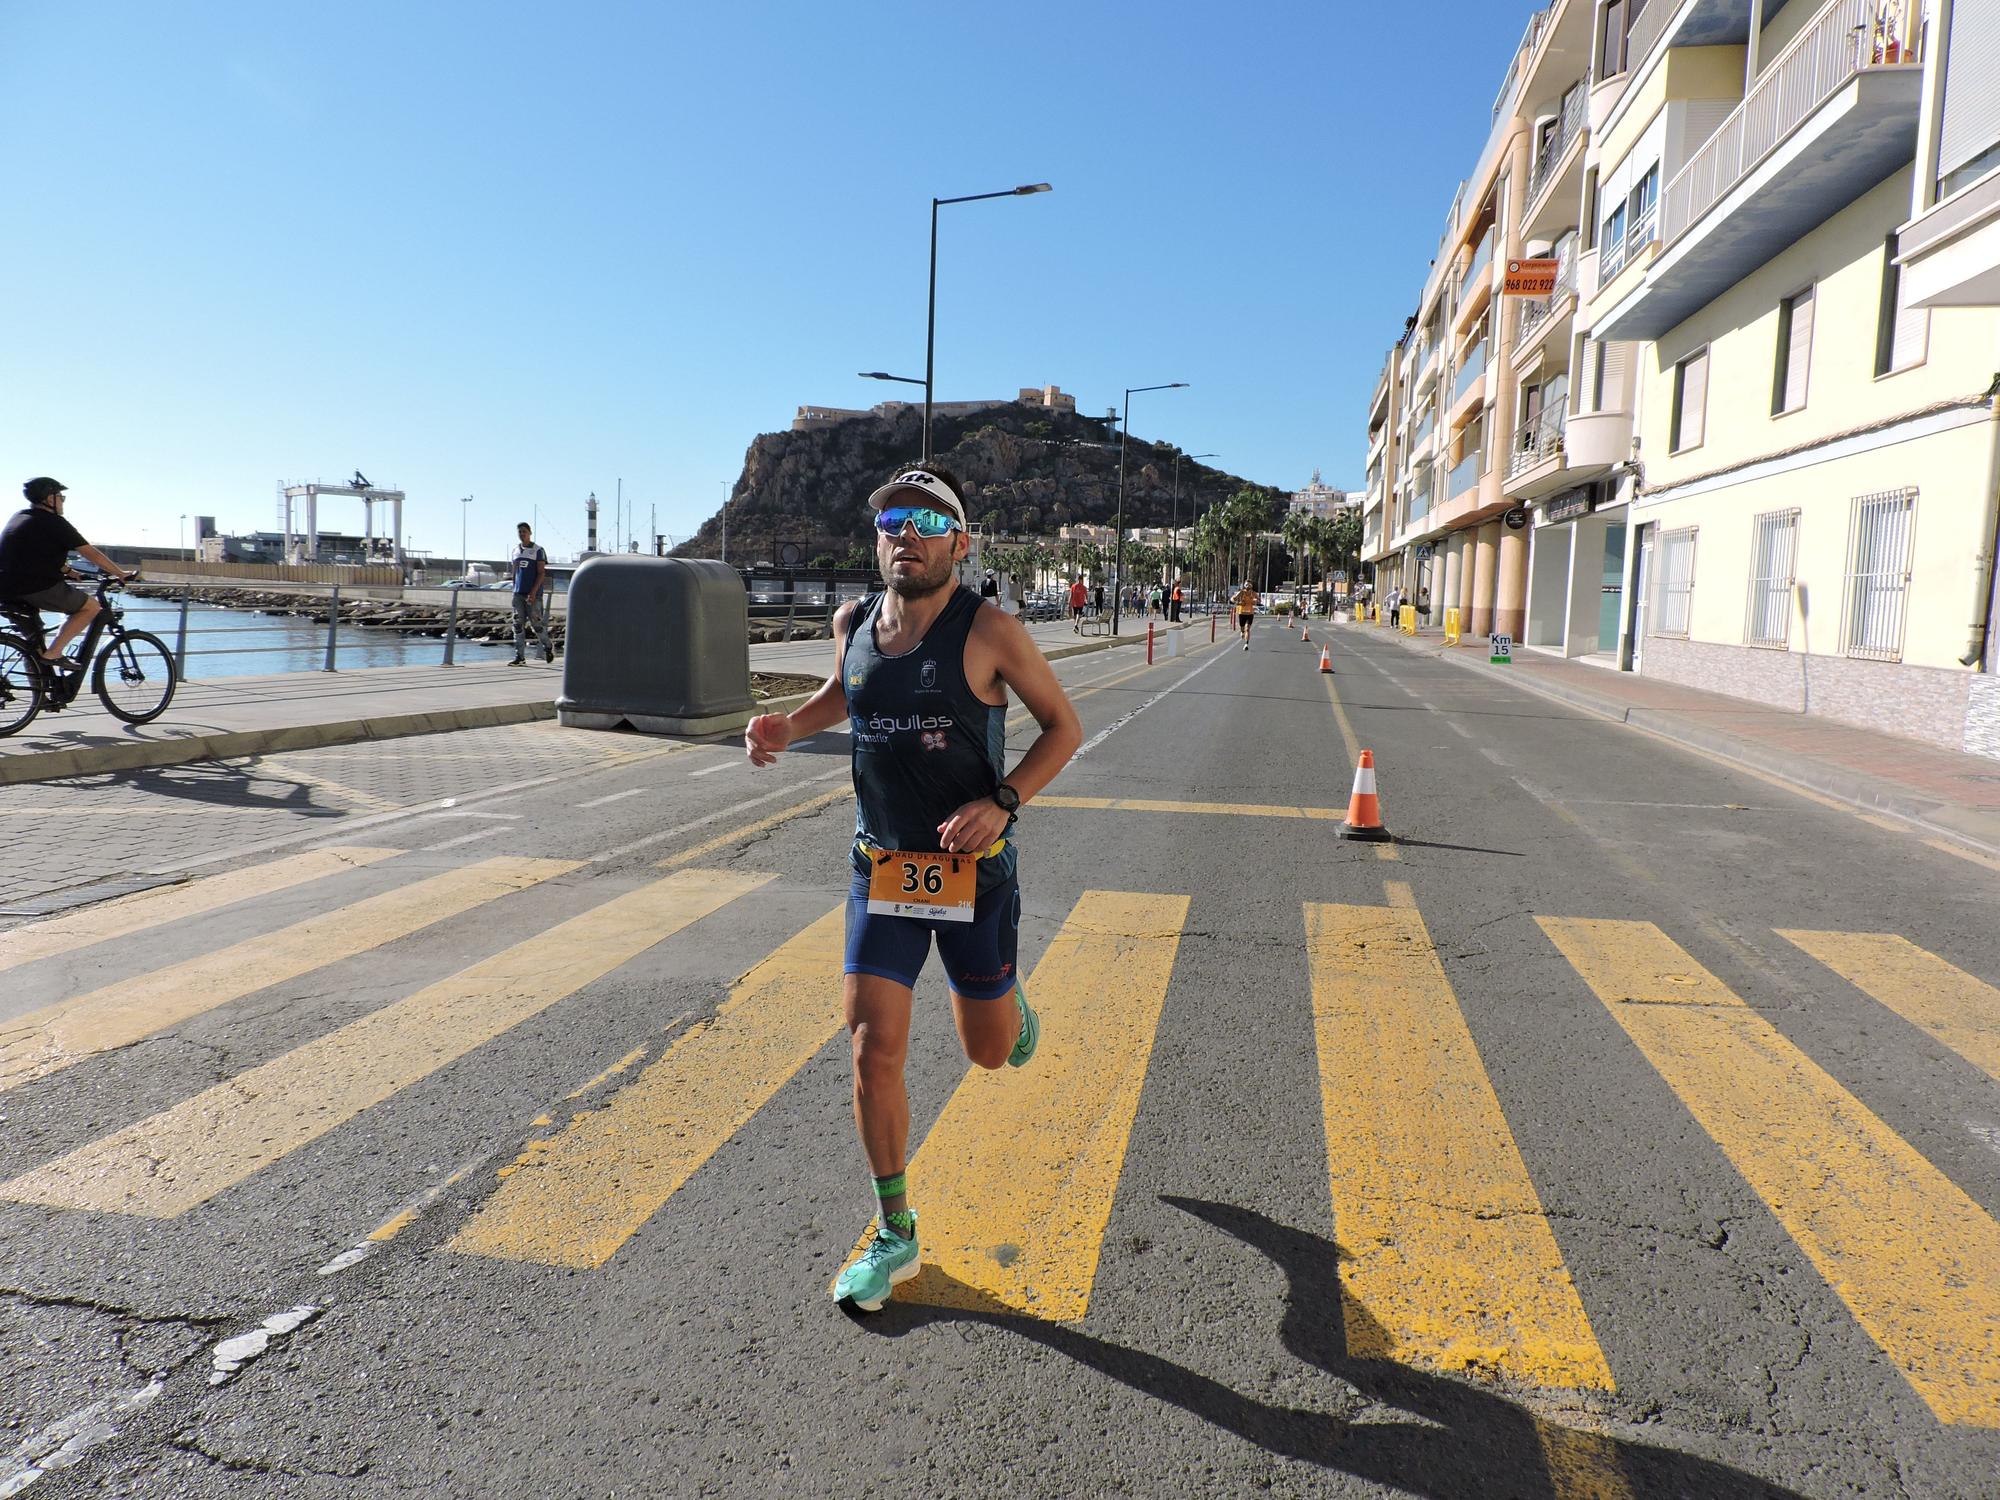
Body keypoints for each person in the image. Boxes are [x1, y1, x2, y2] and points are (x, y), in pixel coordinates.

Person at [743, 462, 1082, 1313]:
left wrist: (1003, 802)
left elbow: (1063, 728)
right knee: (871, 1047)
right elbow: (844, 697)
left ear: (959, 546)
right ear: (878, 536)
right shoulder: (851, 620)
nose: (907, 535)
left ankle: (1013, 1005)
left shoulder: (992, 631)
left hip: (975, 878)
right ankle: (896, 1230)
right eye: (895, 520)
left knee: (989, 1051)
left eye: (929, 524)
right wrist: (788, 724)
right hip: (882, 869)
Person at [0, 479, 135, 668]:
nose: (63, 501)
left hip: (6, 589)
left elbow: (33, 554)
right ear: (49, 499)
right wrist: (120, 573)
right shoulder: (54, 522)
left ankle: (42, 693)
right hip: (35, 587)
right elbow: (90, 552)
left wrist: (69, 571)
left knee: (34, 645)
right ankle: (54, 654)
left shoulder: (20, 517)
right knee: (91, 607)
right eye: (61, 497)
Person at [508, 522, 553, 665]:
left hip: (533, 595)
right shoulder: (515, 550)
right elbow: (514, 571)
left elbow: (541, 573)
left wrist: (533, 592)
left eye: (524, 531)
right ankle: (520, 656)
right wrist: (514, 587)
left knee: (536, 625)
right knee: (517, 625)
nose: (522, 534)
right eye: (520, 532)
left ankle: (548, 646)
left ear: (530, 532)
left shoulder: (538, 550)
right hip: (518, 594)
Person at [1233, 581, 1258, 650]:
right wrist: (1238, 602)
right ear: (1244, 585)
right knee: (1242, 628)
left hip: (1250, 613)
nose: (1248, 586)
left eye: (1249, 585)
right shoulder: (1241, 592)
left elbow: (1259, 600)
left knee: (1248, 629)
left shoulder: (1254, 593)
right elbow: (1233, 599)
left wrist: (1255, 601)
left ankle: (1246, 644)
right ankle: (1242, 631)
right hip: (1242, 613)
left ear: (1251, 586)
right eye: (1246, 585)